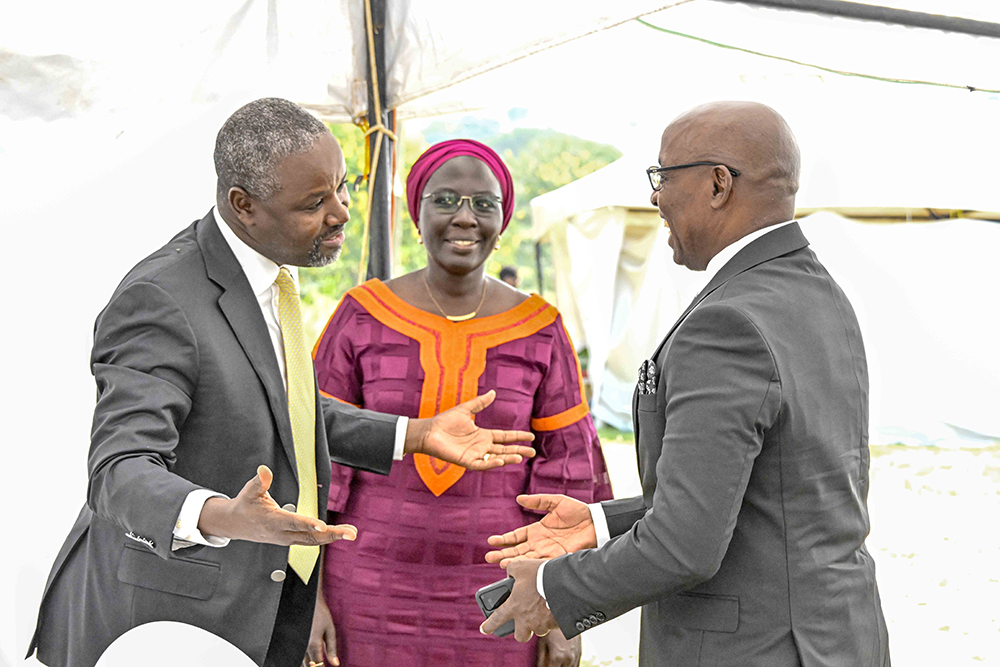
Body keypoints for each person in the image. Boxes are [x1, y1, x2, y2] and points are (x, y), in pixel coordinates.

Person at [26, 98, 536, 667]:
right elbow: (118, 471)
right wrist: (221, 513)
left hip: (256, 610)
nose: (342, 213)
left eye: (343, 188)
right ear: (244, 205)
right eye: (315, 203)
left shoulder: (265, 273)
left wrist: (413, 434)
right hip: (161, 626)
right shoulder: (161, 299)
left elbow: (279, 404)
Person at [481, 102, 891, 667]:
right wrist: (600, 522)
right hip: (838, 636)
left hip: (754, 647)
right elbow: (766, 493)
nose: (656, 199)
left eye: (663, 177)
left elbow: (685, 545)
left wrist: (555, 589)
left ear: (719, 184)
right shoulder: (820, 295)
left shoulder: (727, 323)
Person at [307, 139, 613, 667]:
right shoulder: (363, 315)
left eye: (484, 204)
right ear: (417, 214)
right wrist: (307, 598)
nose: (464, 218)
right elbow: (310, 452)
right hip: (365, 584)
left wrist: (564, 607)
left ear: (503, 220)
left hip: (504, 589)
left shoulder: (540, 328)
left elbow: (570, 475)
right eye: (445, 201)